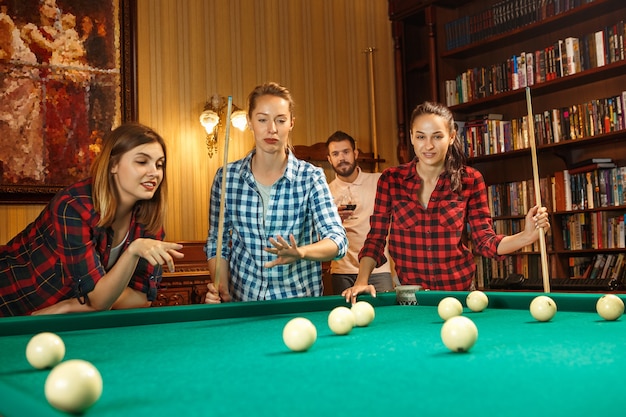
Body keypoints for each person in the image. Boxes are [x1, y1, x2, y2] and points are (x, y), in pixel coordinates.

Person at [342, 101, 551, 302]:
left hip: (459, 295)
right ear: (412, 138)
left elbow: (485, 242)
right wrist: (361, 281)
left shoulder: (470, 180)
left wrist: (526, 236)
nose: (429, 145)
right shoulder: (391, 180)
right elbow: (376, 238)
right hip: (412, 298)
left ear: (451, 137)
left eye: (437, 136)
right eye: (421, 137)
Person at [0, 123, 184, 316]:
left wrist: (70, 306)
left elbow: (142, 298)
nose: (154, 172)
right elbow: (99, 299)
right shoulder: (73, 205)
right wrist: (132, 253)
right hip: (9, 303)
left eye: (159, 164)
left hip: (55, 317)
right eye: (141, 162)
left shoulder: (149, 221)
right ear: (113, 165)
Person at [204, 82, 348, 303]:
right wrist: (220, 284)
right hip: (244, 305)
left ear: (291, 123)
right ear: (250, 122)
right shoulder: (226, 178)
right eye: (262, 119)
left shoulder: (311, 177)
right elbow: (217, 242)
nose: (271, 128)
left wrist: (300, 252)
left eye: (280, 120)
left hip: (298, 305)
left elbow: (337, 241)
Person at [325, 130, 393, 294]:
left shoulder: (379, 181)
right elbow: (320, 239)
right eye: (335, 154)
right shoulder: (324, 192)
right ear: (329, 159)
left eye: (346, 152)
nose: (341, 158)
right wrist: (333, 222)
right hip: (342, 270)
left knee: (386, 316)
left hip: (379, 269)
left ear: (355, 153)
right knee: (347, 317)